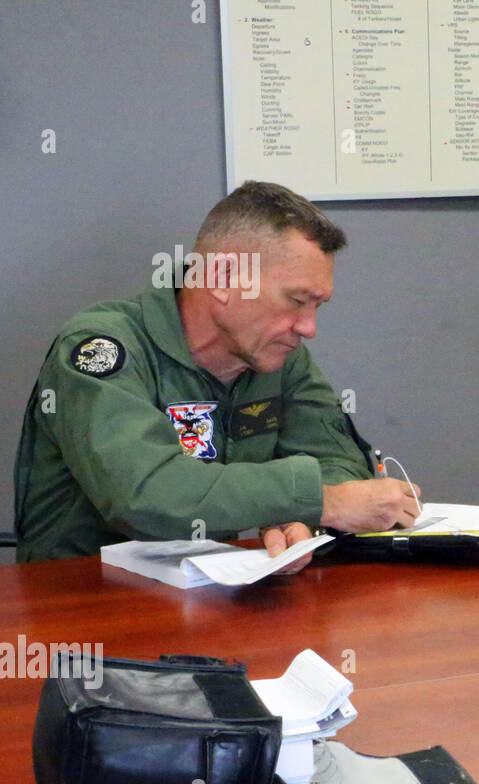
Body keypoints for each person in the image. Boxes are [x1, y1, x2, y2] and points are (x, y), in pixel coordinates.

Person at [14, 181, 421, 567]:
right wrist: (320, 500)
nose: (308, 327)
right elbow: (145, 496)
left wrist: (298, 521)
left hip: (214, 592)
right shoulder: (103, 347)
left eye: (318, 306)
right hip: (82, 604)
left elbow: (336, 461)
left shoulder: (276, 353)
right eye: (297, 300)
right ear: (224, 279)